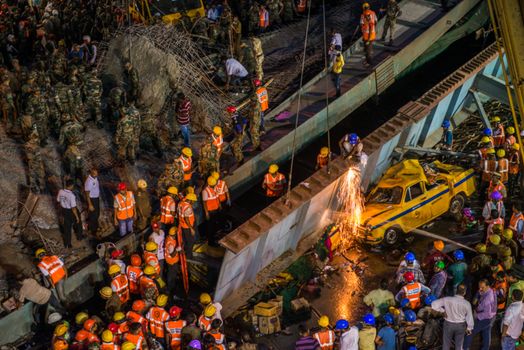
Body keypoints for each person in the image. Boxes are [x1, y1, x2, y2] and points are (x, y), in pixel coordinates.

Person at [431, 284, 474, 350]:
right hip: (461, 326)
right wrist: (469, 328)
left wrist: (442, 311)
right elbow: (469, 317)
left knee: (446, 345)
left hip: (448, 324)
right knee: (459, 346)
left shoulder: (447, 299)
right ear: (465, 292)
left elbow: (433, 304)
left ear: (456, 290)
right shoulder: (467, 303)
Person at [463, 279, 497, 350]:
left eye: (482, 287)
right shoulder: (490, 291)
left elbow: (486, 313)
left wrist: (476, 315)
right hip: (491, 316)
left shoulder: (488, 299)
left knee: (470, 331)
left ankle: (465, 348)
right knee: (486, 333)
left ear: (488, 286)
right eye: (479, 287)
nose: (480, 289)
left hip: (485, 318)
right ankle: (485, 348)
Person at [57, 179, 83, 248]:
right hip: (71, 211)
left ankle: (68, 244)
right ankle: (79, 237)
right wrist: (77, 217)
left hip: (64, 211)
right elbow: (73, 208)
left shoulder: (60, 191)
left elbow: (58, 200)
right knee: (78, 223)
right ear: (71, 186)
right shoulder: (71, 195)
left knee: (67, 228)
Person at [178, 191, 198, 258]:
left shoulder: (180, 203)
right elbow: (186, 218)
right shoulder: (188, 207)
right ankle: (189, 255)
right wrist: (191, 228)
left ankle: (186, 252)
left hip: (182, 225)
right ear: (190, 200)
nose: (193, 202)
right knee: (190, 241)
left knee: (185, 240)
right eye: (193, 201)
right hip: (187, 226)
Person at [84, 167, 100, 236]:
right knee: (93, 215)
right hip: (92, 199)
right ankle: (93, 231)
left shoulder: (94, 177)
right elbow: (87, 193)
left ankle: (95, 227)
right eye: (94, 173)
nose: (96, 174)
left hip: (96, 198)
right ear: (91, 173)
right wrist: (90, 204)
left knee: (96, 214)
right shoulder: (89, 181)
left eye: (96, 173)